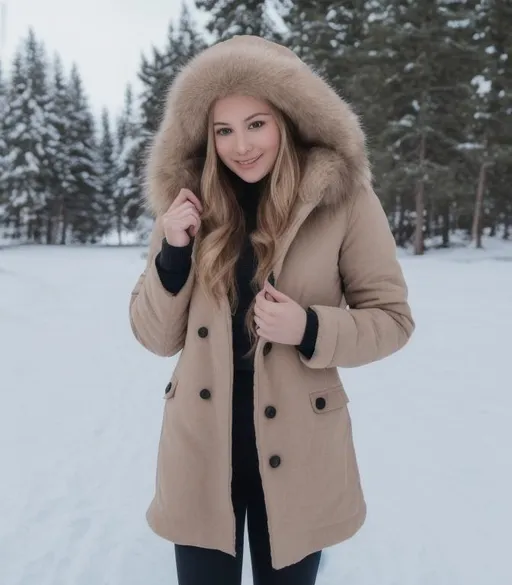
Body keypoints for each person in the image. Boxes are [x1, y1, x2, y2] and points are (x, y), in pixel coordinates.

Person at [129, 35, 415, 585]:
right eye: (224, 130)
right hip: (201, 445)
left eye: (256, 123)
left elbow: (393, 319)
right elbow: (155, 337)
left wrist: (309, 327)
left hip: (300, 445)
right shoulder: (186, 205)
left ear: (288, 117)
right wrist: (173, 252)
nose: (241, 145)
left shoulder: (343, 199)